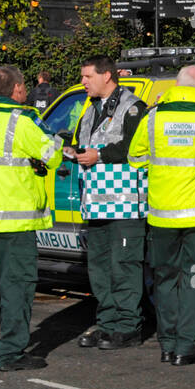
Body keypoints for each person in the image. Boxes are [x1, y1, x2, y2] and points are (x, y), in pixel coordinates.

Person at [0, 65, 63, 370]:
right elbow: (52, 154)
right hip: (14, 221)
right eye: (23, 88)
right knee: (16, 287)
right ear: (17, 89)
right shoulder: (21, 121)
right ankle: (10, 353)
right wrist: (58, 140)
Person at [129, 65, 195, 366]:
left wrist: (158, 166)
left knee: (165, 279)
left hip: (161, 218)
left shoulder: (153, 117)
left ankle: (167, 344)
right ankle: (186, 345)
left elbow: (134, 158)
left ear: (175, 85)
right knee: (194, 280)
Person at [66, 55, 148, 350]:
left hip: (125, 205)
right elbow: (82, 141)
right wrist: (71, 151)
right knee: (99, 268)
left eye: (88, 76)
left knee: (124, 266)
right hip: (96, 203)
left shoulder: (133, 107)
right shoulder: (91, 110)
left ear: (107, 76)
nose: (83, 82)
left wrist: (98, 155)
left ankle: (127, 327)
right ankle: (108, 323)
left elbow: (134, 147)